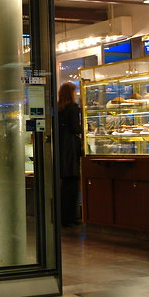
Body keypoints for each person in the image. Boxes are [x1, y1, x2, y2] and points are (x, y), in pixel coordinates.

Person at [57, 82, 83, 227]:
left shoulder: (58, 107)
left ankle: (64, 216)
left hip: (62, 148)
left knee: (65, 186)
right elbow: (75, 128)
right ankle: (70, 217)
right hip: (70, 149)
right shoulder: (72, 107)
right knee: (72, 184)